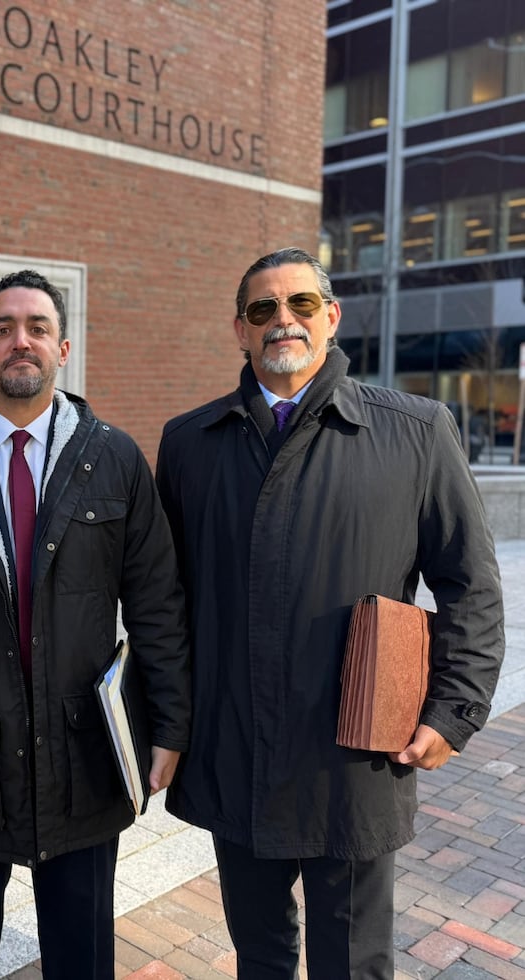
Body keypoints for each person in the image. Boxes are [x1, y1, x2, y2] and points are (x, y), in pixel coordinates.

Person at [156, 246, 505, 979]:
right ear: (240, 331)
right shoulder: (190, 444)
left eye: (301, 305)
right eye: (263, 310)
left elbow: (470, 583)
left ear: (332, 317)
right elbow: (167, 602)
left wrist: (454, 711)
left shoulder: (413, 431)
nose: (283, 320)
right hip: (234, 751)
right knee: (261, 956)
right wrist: (167, 724)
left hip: (352, 758)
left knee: (352, 963)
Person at [0, 269, 190, 980]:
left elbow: (156, 600)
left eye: (36, 328)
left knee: (81, 959)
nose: (19, 341)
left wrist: (171, 724)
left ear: (63, 348)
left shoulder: (113, 457)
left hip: (83, 757)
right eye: (2, 329)